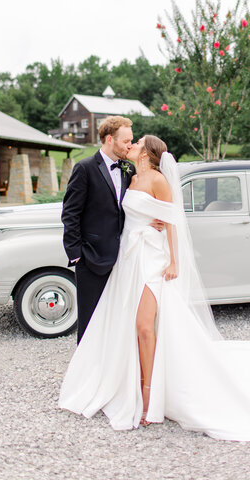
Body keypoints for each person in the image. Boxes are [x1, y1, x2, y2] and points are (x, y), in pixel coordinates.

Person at [59, 135, 250, 441]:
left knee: (145, 326)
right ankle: (132, 384)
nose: (131, 144)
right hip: (129, 260)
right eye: (129, 141)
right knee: (130, 326)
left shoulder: (159, 180)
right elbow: (124, 215)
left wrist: (173, 261)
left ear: (146, 153)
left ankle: (149, 400)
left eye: (137, 143)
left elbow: (173, 221)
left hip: (152, 260)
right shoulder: (131, 176)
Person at [61, 116, 162, 344]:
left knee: (117, 320)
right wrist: (77, 255)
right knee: (90, 322)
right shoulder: (85, 168)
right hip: (92, 259)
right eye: (126, 141)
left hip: (125, 259)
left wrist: (148, 221)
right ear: (109, 139)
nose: (130, 145)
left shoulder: (128, 169)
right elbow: (70, 214)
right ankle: (86, 375)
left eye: (132, 141)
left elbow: (128, 209)